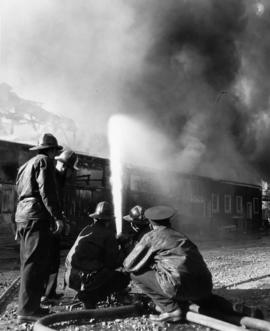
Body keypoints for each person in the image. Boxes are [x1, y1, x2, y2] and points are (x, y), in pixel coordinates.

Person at [123, 205, 213, 323]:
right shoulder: (181, 236)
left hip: (180, 288)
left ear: (150, 223)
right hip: (204, 287)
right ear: (169, 221)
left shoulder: (151, 236)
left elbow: (129, 264)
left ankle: (172, 310)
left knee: (136, 274)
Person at [15, 133, 64, 323]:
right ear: (51, 150)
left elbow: (18, 193)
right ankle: (27, 310)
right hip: (36, 216)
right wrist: (57, 217)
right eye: (54, 152)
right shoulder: (44, 161)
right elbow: (47, 191)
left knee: (27, 264)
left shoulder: (24, 166)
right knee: (35, 264)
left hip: (23, 216)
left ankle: (30, 306)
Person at [65, 201, 130, 309]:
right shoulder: (108, 234)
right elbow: (112, 263)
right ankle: (90, 297)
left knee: (101, 270)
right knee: (122, 278)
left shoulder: (86, 229)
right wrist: (124, 247)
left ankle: (86, 293)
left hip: (70, 277)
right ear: (108, 221)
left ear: (95, 218)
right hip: (84, 279)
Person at [42, 149, 79, 304]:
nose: (71, 174)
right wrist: (58, 220)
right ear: (66, 167)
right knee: (47, 259)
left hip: (54, 224)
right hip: (48, 225)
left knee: (53, 259)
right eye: (71, 170)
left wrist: (63, 219)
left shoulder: (59, 179)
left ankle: (49, 293)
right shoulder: (52, 178)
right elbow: (49, 201)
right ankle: (45, 295)